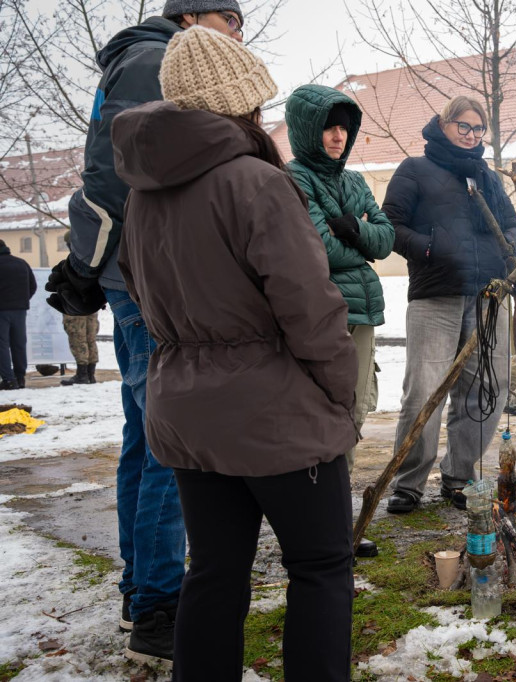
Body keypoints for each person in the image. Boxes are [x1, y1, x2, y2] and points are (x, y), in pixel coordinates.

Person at [113, 26, 358, 681]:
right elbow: (311, 308)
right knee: (322, 567)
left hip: (186, 413)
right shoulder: (255, 182)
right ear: (243, 101)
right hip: (274, 414)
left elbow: (136, 291)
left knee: (214, 572)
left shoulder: (141, 194)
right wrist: (340, 398)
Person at [42, 0, 247, 664]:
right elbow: (112, 174)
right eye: (229, 20)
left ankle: (143, 593)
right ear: (192, 17)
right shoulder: (157, 60)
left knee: (145, 437)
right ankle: (159, 607)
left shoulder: (138, 58)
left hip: (136, 272)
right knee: (172, 443)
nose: (236, 35)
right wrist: (93, 260)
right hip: (150, 277)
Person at [382, 96, 516, 514]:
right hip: (435, 296)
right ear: (443, 124)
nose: (471, 135)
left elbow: (513, 224)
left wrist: (511, 244)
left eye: (479, 130)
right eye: (464, 126)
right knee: (424, 391)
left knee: (485, 391)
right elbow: (389, 225)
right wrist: (428, 248)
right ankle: (408, 483)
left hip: (488, 298)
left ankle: (459, 477)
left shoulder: (487, 177)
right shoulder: (415, 170)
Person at [285, 84, 395, 558]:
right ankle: (314, 529)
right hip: (325, 314)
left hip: (364, 313)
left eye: (345, 129)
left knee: (354, 414)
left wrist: (354, 230)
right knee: (322, 419)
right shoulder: (293, 178)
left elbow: (387, 237)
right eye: (330, 127)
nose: (338, 136)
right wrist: (358, 238)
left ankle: (339, 527)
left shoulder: (353, 182)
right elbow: (317, 249)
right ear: (309, 130)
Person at [58, 234, 100, 387]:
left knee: (78, 339)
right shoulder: (91, 259)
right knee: (90, 338)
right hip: (91, 306)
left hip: (75, 307)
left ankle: (82, 375)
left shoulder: (71, 262)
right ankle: (90, 374)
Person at [0, 239, 36, 390]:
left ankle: (8, 380)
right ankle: (20, 378)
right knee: (19, 344)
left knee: (2, 345)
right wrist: (22, 300)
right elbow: (32, 286)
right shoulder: (22, 263)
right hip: (20, 310)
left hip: (1, 311)